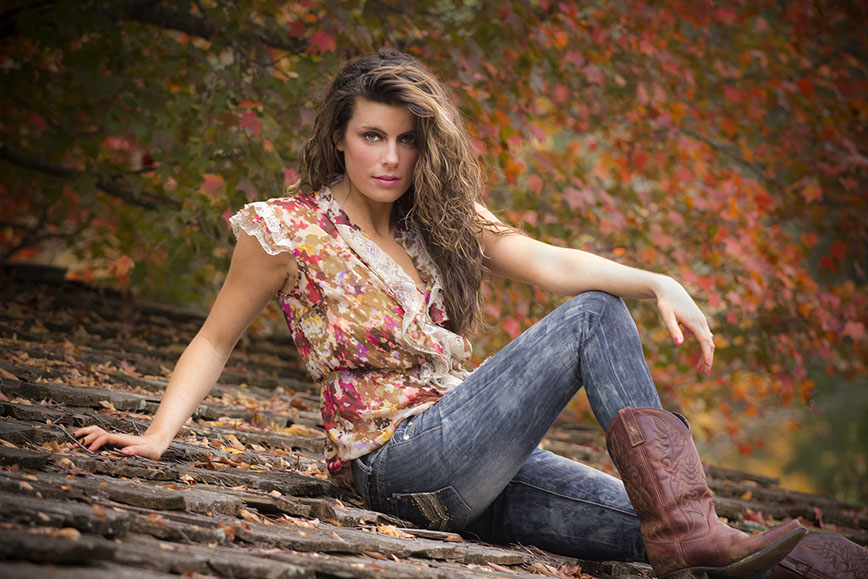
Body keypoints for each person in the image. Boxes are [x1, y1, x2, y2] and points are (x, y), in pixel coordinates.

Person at [75, 48, 824, 578]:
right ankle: (694, 525)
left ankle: (834, 561)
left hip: (473, 463)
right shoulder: (285, 228)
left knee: (671, 530)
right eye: (372, 135)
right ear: (340, 136)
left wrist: (656, 277)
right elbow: (214, 338)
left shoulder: (434, 216)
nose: (390, 157)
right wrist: (155, 435)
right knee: (597, 315)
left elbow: (547, 259)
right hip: (398, 460)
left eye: (406, 139)